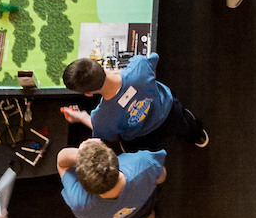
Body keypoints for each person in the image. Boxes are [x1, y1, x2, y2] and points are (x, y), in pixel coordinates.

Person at [62, 53, 207, 148]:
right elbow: (153, 62)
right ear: (98, 64)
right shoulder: (139, 65)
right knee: (186, 124)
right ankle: (196, 135)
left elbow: (109, 136)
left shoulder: (100, 118)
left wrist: (82, 117)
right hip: (169, 110)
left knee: (130, 146)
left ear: (87, 93)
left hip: (144, 136)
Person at [56, 140, 165, 218]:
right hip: (140, 208)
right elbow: (161, 177)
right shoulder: (143, 163)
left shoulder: (78, 201)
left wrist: (81, 155)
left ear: (83, 184)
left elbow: (62, 163)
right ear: (115, 158)